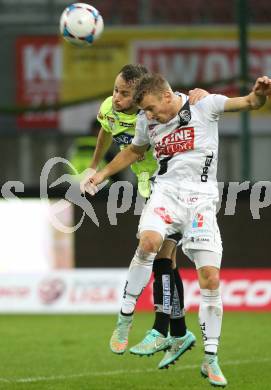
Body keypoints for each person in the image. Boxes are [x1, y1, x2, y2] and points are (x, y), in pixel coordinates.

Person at [82, 72, 271, 387]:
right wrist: (101, 175)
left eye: (153, 109)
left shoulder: (204, 104)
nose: (149, 116)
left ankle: (210, 358)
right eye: (146, 111)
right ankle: (125, 320)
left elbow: (250, 102)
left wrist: (260, 93)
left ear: (167, 96)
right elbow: (134, 150)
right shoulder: (146, 119)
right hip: (165, 193)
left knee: (210, 279)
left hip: (201, 201)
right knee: (149, 243)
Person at [80, 64, 208, 358]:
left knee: (161, 253)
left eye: (124, 93)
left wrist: (199, 94)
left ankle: (160, 329)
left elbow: (181, 104)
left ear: (140, 95)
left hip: (172, 183)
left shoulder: (150, 112)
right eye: (115, 90)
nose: (117, 97)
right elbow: (106, 132)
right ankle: (178, 331)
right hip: (147, 184)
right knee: (166, 259)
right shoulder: (110, 109)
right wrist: (94, 165)